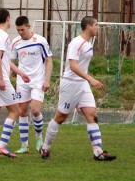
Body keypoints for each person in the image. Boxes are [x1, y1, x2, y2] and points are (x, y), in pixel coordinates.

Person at [41, 16, 116, 161]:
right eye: (96, 25)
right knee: (61, 117)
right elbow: (73, 66)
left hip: (82, 84)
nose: (98, 27)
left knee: (92, 115)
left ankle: (98, 152)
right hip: (70, 84)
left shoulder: (88, 43)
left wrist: (87, 80)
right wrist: (91, 79)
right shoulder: (76, 43)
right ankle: (45, 148)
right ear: (88, 26)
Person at [0, 9, 30, 158]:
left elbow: (4, 60)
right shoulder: (3, 35)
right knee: (15, 111)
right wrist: (2, 79)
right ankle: (2, 145)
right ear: (8, 19)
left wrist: (20, 73)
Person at [10, 16, 53, 154]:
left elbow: (49, 60)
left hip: (38, 81)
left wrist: (47, 80)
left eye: (22, 29)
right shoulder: (15, 42)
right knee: (22, 111)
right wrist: (6, 80)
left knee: (35, 110)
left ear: (29, 27)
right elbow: (10, 63)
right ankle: (24, 145)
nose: (20, 33)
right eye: (18, 30)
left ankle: (39, 138)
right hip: (22, 82)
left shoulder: (40, 41)